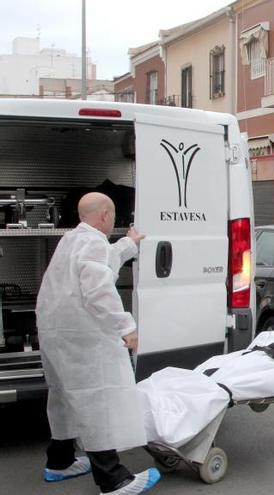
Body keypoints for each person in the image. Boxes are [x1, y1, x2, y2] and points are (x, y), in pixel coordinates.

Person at [36, 192, 160, 495]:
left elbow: (103, 261)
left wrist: (129, 244)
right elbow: (98, 290)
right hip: (82, 339)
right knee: (96, 402)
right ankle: (113, 479)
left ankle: (60, 462)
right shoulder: (92, 243)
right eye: (113, 215)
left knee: (65, 398)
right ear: (105, 215)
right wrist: (127, 327)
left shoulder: (73, 239)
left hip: (56, 335)